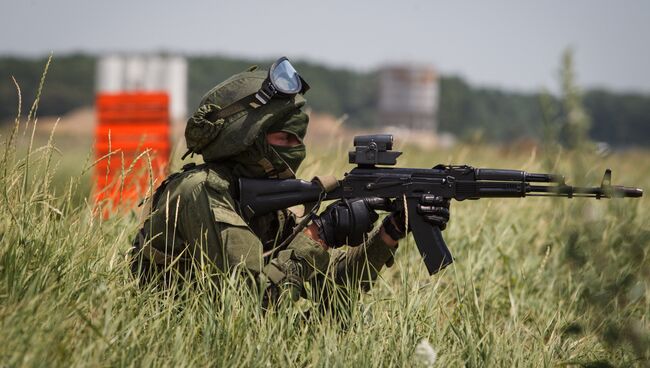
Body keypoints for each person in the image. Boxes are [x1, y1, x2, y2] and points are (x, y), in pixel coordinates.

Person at [131, 57, 450, 307]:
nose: (293, 148)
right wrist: (319, 233)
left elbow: (330, 293)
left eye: (297, 138)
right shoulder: (200, 191)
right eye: (282, 137)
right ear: (248, 140)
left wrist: (390, 232)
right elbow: (245, 303)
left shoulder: (267, 208)